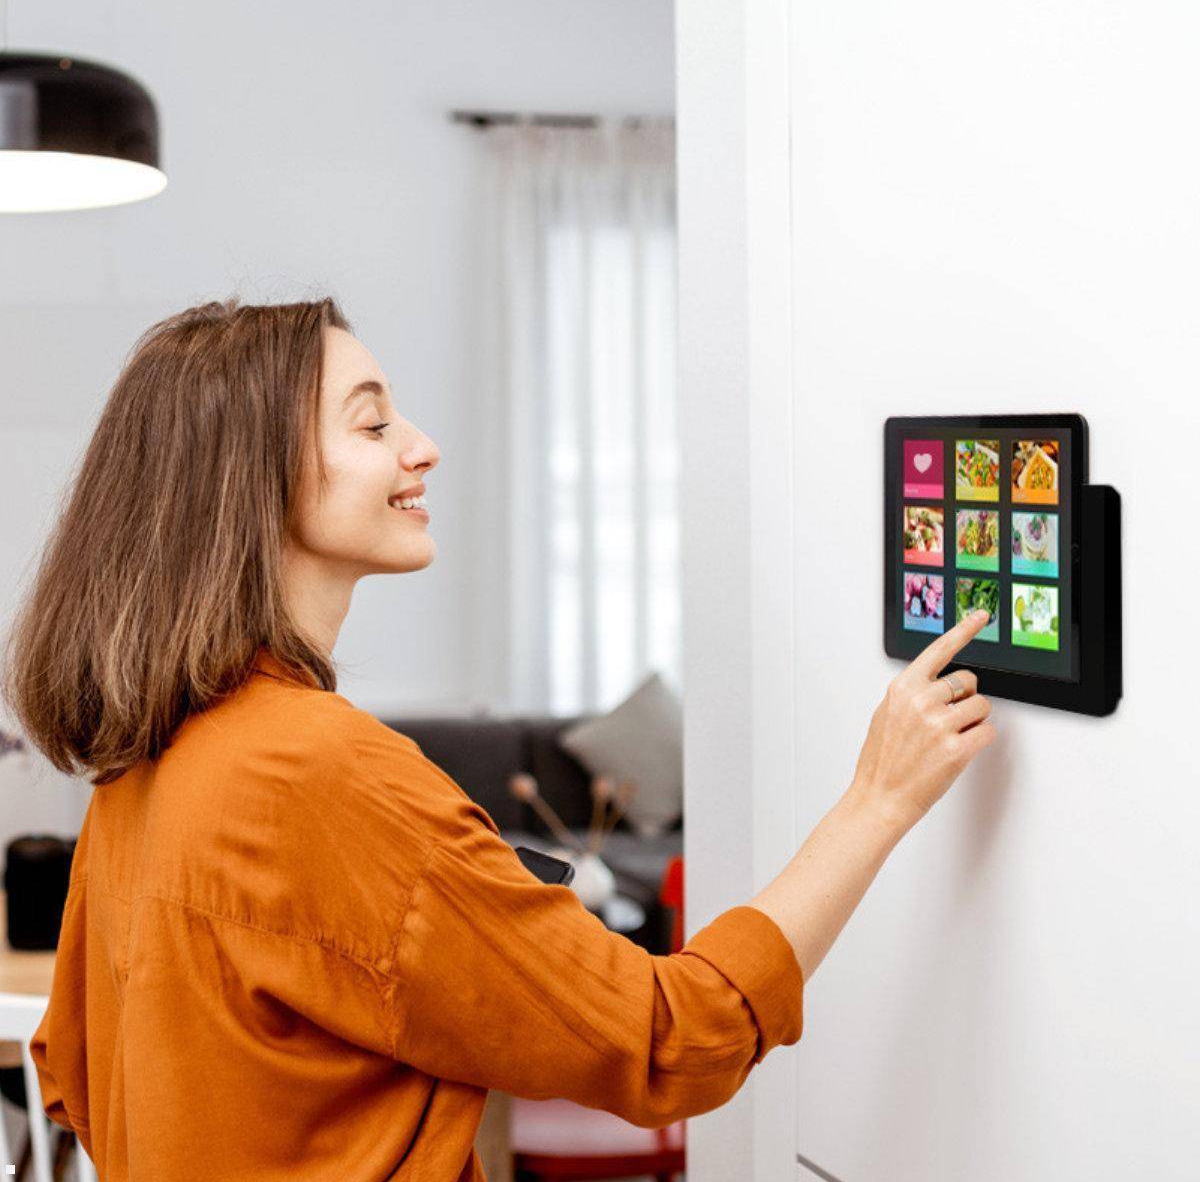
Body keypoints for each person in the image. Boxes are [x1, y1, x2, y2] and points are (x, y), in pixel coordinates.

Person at [1, 298, 996, 1181]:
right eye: (374, 421)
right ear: (252, 480)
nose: (422, 446)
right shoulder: (317, 770)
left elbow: (79, 1080)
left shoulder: (143, 764)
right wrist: (879, 798)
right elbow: (669, 1037)